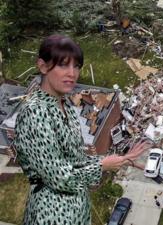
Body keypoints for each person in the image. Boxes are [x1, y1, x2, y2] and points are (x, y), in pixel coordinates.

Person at [12, 34, 152, 225]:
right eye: (63, 65)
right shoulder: (35, 113)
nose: (72, 73)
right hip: (53, 213)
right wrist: (103, 166)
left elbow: (76, 160)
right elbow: (60, 178)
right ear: (43, 66)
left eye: (76, 66)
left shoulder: (65, 104)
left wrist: (121, 160)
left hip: (77, 210)